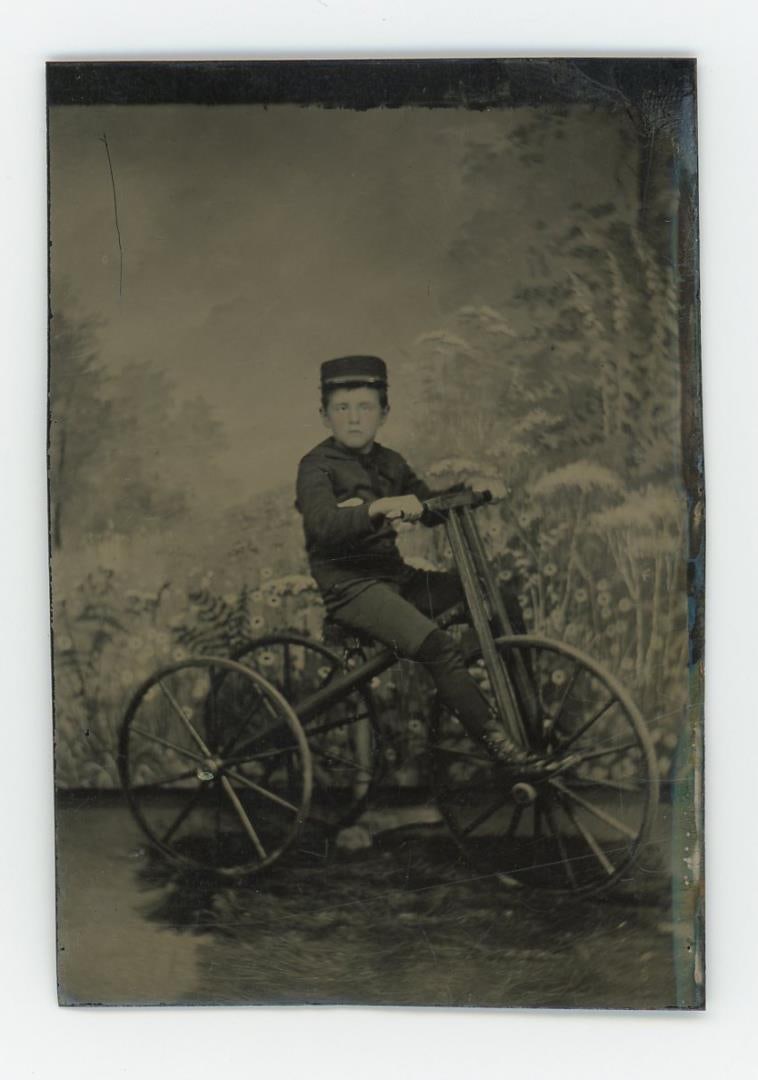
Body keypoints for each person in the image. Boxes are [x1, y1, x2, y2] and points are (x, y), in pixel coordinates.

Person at [295, 354, 547, 770]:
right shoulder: (315, 467)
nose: (354, 418)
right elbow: (323, 524)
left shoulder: (391, 462)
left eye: (365, 407)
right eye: (342, 408)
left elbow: (429, 506)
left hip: (398, 580)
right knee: (437, 646)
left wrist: (472, 489)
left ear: (384, 413)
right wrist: (378, 508)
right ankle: (499, 744)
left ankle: (532, 723)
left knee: (497, 600)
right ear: (324, 416)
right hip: (351, 588)